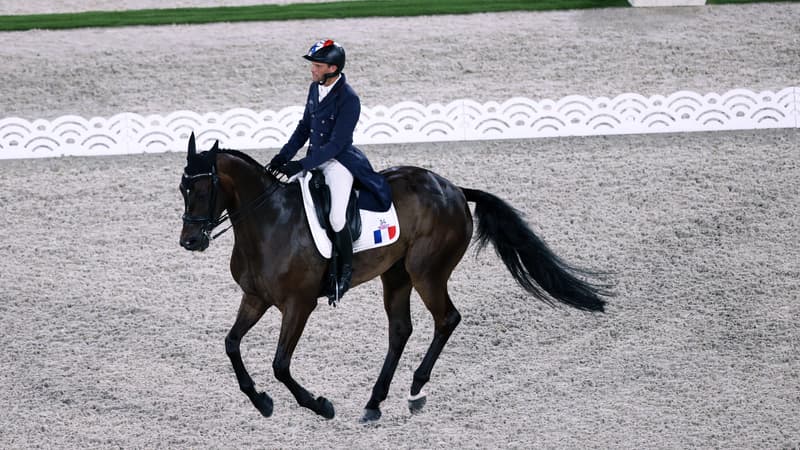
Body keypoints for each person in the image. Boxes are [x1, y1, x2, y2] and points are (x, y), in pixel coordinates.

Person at [268, 39, 392, 305]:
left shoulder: (349, 98)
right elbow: (304, 127)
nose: (312, 69)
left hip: (339, 162)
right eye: (313, 65)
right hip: (315, 158)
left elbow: (336, 144)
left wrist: (302, 165)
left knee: (336, 218)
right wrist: (283, 156)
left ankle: (343, 274)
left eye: (317, 65)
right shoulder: (315, 88)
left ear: (332, 68)